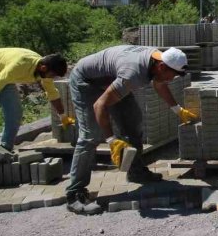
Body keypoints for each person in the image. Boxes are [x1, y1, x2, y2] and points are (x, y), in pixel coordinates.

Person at [65, 45, 197, 215]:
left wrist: (177, 110)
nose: (171, 80)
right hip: (87, 82)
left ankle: (136, 172)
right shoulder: (133, 73)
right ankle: (74, 193)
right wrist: (111, 140)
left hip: (113, 80)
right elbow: (100, 105)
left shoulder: (157, 59)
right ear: (161, 66)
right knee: (91, 135)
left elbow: (160, 83)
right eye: (172, 75)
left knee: (132, 122)